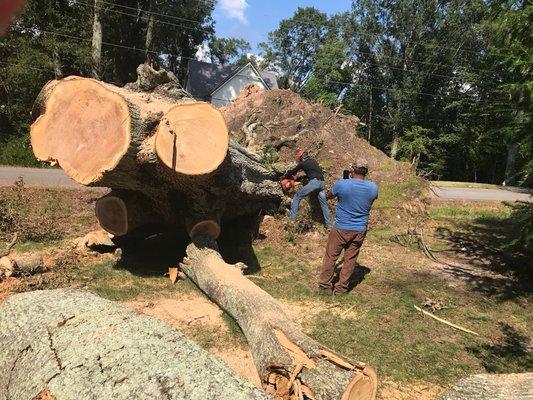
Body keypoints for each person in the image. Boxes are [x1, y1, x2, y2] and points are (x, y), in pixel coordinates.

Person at [318, 158, 378, 294]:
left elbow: (328, 196)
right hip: (360, 230)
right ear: (366, 172)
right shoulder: (373, 188)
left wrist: (343, 184)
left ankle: (325, 287)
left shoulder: (341, 185)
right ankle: (341, 289)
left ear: (352, 170)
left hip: (341, 228)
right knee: (350, 260)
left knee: (331, 257)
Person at [284, 149, 330, 228]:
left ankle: (292, 220)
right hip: (322, 183)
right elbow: (313, 172)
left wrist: (286, 176)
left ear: (301, 157)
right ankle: (329, 226)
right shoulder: (313, 161)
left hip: (314, 182)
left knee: (297, 196)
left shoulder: (302, 163)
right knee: (324, 205)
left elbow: (293, 171)